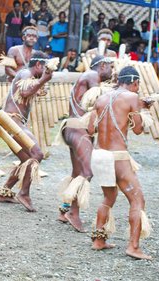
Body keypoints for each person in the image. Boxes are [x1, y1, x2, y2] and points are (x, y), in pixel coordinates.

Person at [88, 66, 154, 260]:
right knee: (137, 199)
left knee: (108, 198)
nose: (137, 88)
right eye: (137, 85)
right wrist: (142, 110)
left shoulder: (101, 98)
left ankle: (99, 240)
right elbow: (138, 130)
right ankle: (133, 247)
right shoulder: (132, 98)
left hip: (99, 155)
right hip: (117, 157)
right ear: (134, 82)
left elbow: (91, 129)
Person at [55, 55, 113, 232]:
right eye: (111, 66)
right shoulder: (92, 75)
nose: (112, 70)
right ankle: (74, 213)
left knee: (77, 172)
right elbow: (99, 102)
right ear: (102, 65)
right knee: (87, 172)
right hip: (79, 130)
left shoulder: (89, 78)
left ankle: (64, 209)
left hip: (73, 129)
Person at [0, 51, 54, 212]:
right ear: (39, 65)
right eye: (46, 67)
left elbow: (31, 90)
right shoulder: (26, 73)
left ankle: (4, 191)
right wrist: (43, 80)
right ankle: (24, 193)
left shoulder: (29, 76)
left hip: (16, 121)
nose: (48, 71)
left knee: (26, 159)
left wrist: (41, 83)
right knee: (37, 154)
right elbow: (25, 92)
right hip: (13, 121)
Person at [0, 26, 38, 155]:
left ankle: (31, 145)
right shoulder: (14, 50)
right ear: (23, 37)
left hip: (27, 90)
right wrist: (19, 82)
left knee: (27, 117)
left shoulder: (36, 55)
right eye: (29, 35)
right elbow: (8, 69)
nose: (31, 37)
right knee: (3, 115)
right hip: (12, 89)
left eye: (34, 36)